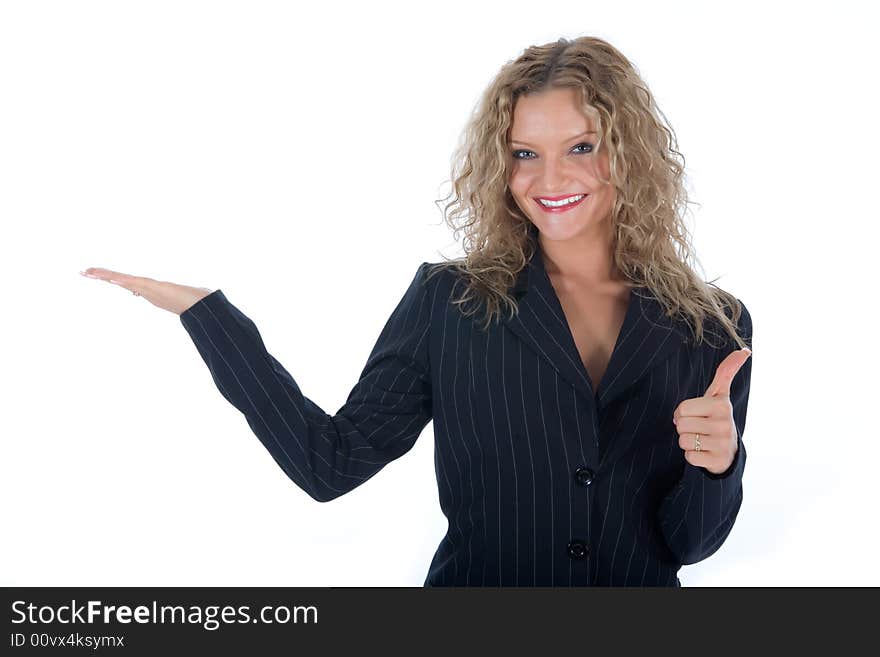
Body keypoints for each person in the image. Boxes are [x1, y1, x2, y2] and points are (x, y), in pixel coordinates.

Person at [79, 35, 753, 586]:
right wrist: (210, 318)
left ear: (628, 155)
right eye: (525, 154)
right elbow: (329, 462)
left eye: (582, 146)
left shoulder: (712, 328)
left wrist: (717, 464)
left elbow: (687, 544)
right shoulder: (449, 303)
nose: (550, 180)